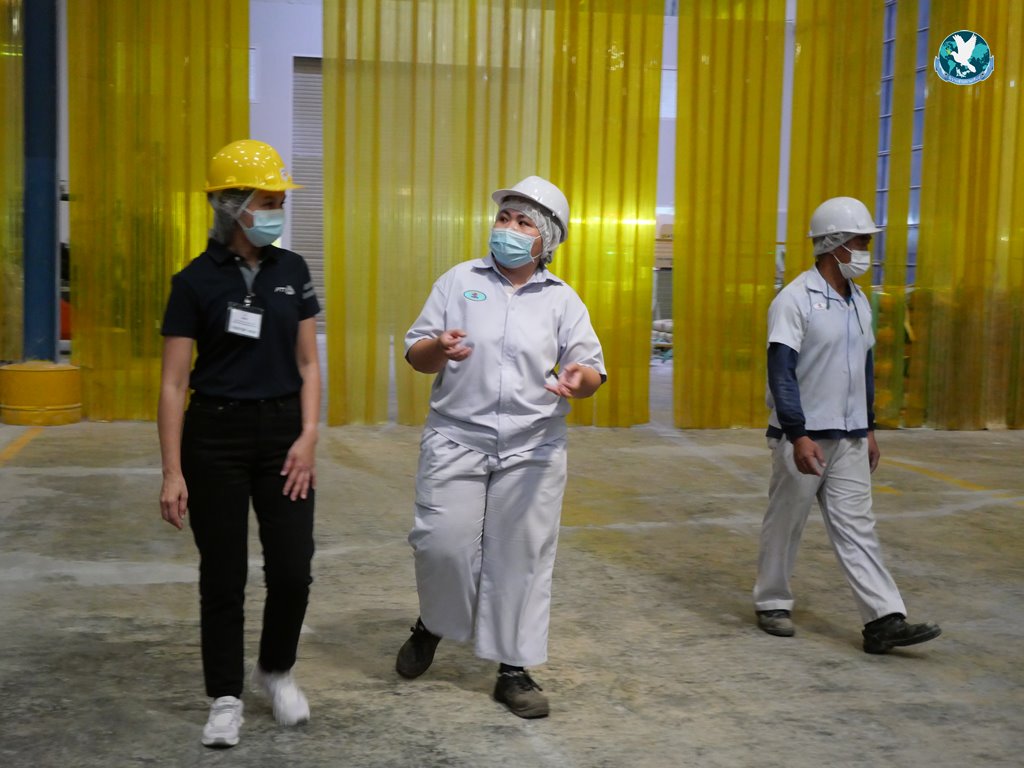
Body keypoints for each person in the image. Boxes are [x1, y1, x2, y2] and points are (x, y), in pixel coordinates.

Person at [396, 176, 606, 718]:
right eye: (504, 217)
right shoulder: (458, 281)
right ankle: (434, 622)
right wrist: (439, 348)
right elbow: (417, 354)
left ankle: (513, 669)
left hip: (532, 448)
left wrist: (577, 379)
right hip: (456, 437)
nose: (508, 228)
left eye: (523, 222)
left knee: (521, 559)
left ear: (547, 239)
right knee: (441, 545)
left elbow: (590, 371)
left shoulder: (562, 300)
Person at [157, 139, 321, 747]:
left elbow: (308, 364)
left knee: (293, 569)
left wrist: (308, 435)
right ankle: (225, 695)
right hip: (215, 439)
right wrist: (172, 471)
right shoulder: (193, 282)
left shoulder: (293, 271)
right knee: (223, 575)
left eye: (280, 201)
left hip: (283, 437)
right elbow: (174, 383)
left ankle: (275, 670)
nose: (277, 212)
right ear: (232, 206)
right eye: (267, 201)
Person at [753, 196, 941, 654]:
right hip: (805, 437)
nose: (865, 251)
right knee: (786, 522)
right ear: (834, 243)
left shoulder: (858, 302)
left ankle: (883, 619)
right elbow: (781, 371)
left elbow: (863, 366)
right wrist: (797, 433)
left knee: (859, 526)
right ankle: (772, 602)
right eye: (860, 241)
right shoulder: (794, 300)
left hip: (852, 436)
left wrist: (869, 427)